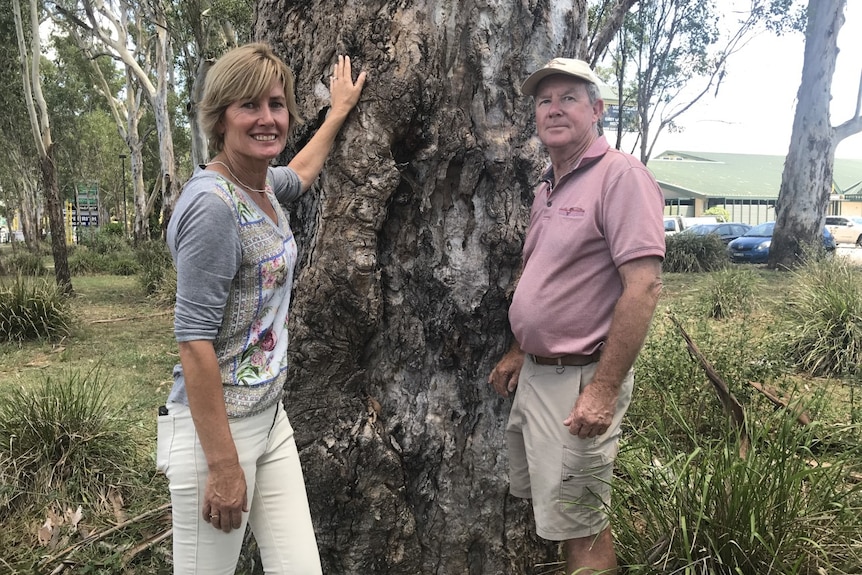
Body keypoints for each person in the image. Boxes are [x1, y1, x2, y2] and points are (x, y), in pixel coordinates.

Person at [157, 43, 366, 574]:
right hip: (216, 433)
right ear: (219, 117)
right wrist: (224, 467)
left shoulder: (261, 186)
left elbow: (299, 172)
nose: (268, 118)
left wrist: (338, 111)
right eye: (249, 105)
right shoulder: (212, 205)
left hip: (270, 421)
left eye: (276, 104)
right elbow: (193, 342)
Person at [488, 58, 665, 575]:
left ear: (597, 109)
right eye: (544, 101)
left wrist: (603, 390)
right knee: (563, 513)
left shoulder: (621, 177)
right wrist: (522, 346)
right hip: (540, 376)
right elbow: (551, 273)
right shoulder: (550, 184)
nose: (554, 109)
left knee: (584, 526)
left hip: (582, 379)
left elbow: (644, 287)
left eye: (568, 98)